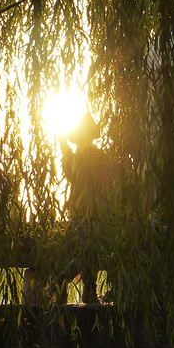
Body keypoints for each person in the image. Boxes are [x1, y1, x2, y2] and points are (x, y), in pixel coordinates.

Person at [59, 111, 120, 303]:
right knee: (90, 251)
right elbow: (107, 184)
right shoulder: (98, 156)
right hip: (93, 213)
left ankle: (82, 289)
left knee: (89, 251)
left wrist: (63, 144)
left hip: (79, 213)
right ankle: (66, 283)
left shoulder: (72, 157)